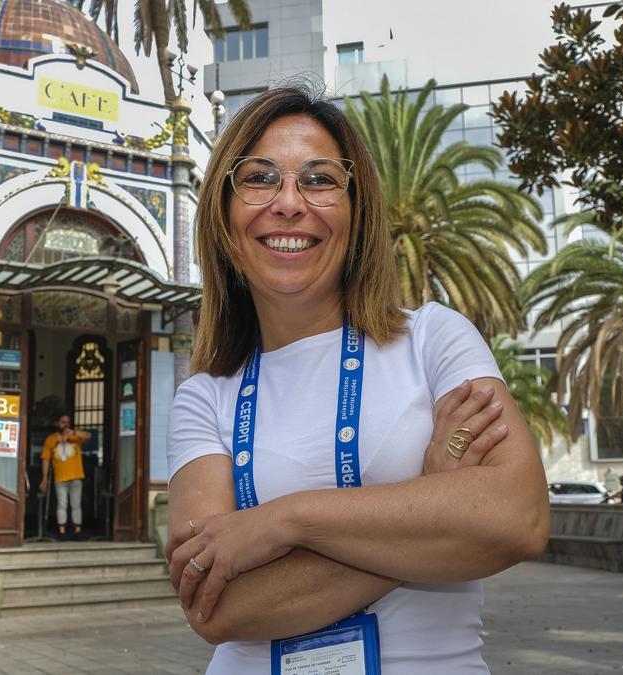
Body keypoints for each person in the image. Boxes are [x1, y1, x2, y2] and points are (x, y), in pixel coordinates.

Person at [163, 85, 549, 673]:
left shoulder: (434, 339)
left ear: (357, 210)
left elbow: (516, 519)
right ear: (223, 221)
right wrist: (428, 501)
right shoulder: (203, 397)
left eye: (319, 179)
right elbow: (218, 608)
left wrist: (282, 521)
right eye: (259, 178)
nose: (288, 203)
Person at [39, 414, 91, 540]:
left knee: (76, 504)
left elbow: (89, 436)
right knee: (62, 505)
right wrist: (44, 478)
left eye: (68, 422)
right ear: (57, 423)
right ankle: (62, 532)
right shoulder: (50, 439)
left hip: (76, 476)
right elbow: (45, 459)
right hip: (60, 478)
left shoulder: (75, 437)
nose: (65, 424)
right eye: (63, 422)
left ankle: (77, 531)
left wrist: (72, 432)